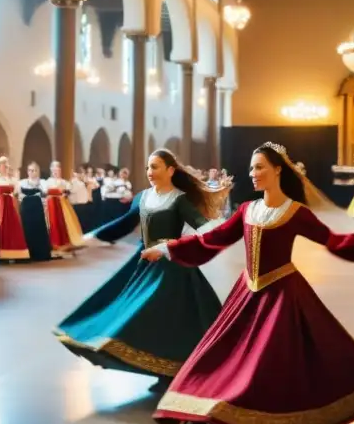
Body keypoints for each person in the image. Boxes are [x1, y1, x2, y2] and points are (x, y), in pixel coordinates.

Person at [144, 142, 354, 424]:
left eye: (259, 167)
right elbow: (213, 239)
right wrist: (167, 248)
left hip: (283, 295)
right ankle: (207, 410)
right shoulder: (248, 210)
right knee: (221, 354)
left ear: (278, 170)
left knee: (273, 363)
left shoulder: (295, 212)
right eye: (251, 168)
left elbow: (331, 240)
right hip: (247, 292)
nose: (253, 173)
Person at [55, 149, 228, 392]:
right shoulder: (142, 197)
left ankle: (173, 374)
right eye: (148, 167)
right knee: (130, 312)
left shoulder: (180, 199)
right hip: (143, 263)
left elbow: (207, 229)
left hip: (172, 268)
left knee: (164, 318)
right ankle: (160, 371)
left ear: (170, 170)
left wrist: (172, 247)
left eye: (155, 166)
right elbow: (121, 226)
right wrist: (86, 239)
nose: (150, 172)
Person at [0, 156, 29, 261]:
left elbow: (17, 192)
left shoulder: (12, 179)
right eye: (2, 165)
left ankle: (17, 254)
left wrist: (15, 197)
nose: (4, 167)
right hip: (1, 205)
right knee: (2, 227)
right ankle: (3, 254)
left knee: (14, 226)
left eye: (6, 165)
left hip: (11, 205)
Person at [19, 162, 53, 262]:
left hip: (37, 207)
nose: (32, 172)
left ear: (38, 171)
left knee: (39, 228)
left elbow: (45, 193)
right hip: (26, 207)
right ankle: (29, 254)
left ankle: (40, 253)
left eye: (34, 170)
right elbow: (19, 195)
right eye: (30, 170)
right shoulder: (22, 182)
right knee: (27, 229)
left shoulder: (43, 182)